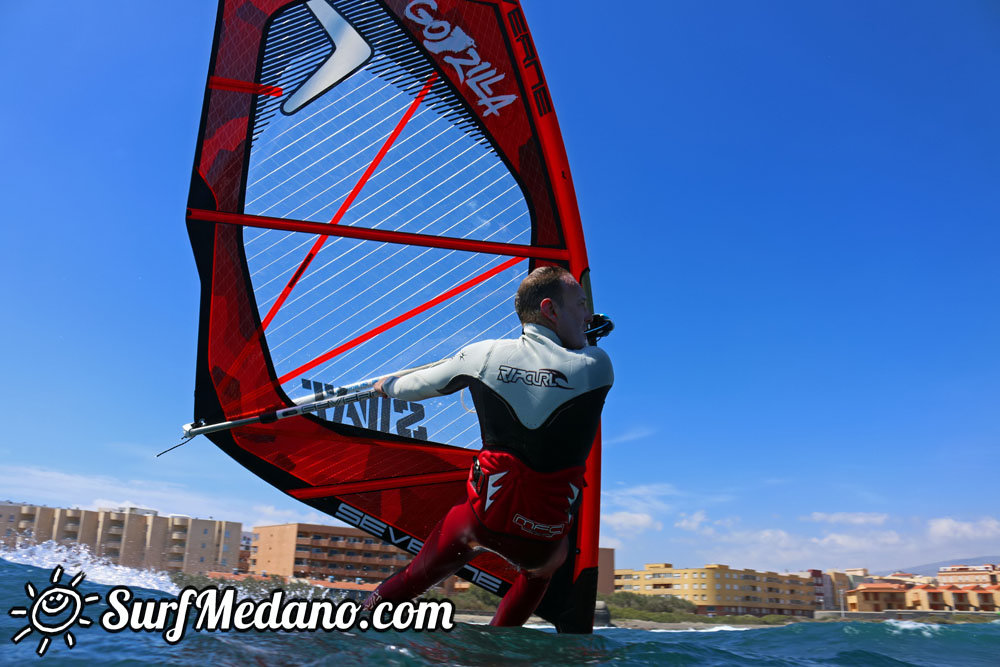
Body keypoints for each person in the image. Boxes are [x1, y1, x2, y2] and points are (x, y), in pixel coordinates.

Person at [361, 265, 613, 626]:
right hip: (541, 540)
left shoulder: (483, 355)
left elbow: (416, 386)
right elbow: (576, 358)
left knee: (411, 580)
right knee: (539, 571)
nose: (587, 316)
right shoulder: (598, 365)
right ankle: (495, 650)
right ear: (550, 310)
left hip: (478, 523)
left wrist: (385, 385)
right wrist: (589, 336)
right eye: (581, 305)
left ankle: (359, 618)